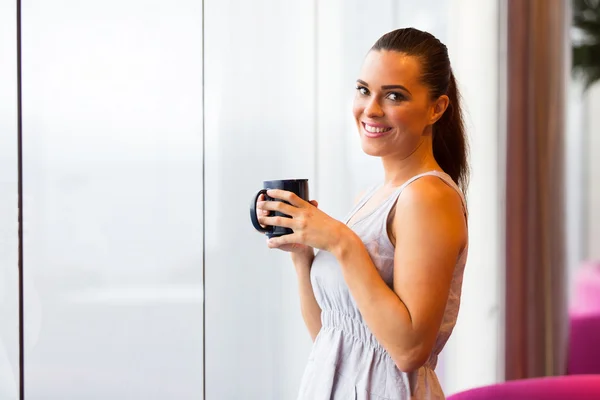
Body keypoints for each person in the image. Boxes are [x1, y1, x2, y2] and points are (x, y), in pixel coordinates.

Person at [256, 27, 469, 400]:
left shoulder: (427, 197)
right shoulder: (370, 196)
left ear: (436, 108)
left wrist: (339, 240)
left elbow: (408, 351)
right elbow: (331, 338)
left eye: (394, 96)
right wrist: (303, 255)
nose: (371, 109)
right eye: (363, 90)